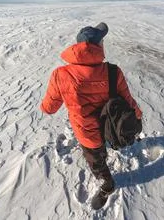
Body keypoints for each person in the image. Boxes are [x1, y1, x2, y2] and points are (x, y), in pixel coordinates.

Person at [40, 22, 143, 209]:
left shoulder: (60, 75)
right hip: (111, 128)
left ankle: (107, 183)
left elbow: (50, 108)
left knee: (96, 160)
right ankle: (108, 184)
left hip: (86, 134)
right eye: (102, 41)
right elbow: (128, 100)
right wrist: (137, 117)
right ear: (97, 46)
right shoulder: (113, 71)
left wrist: (45, 105)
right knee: (101, 148)